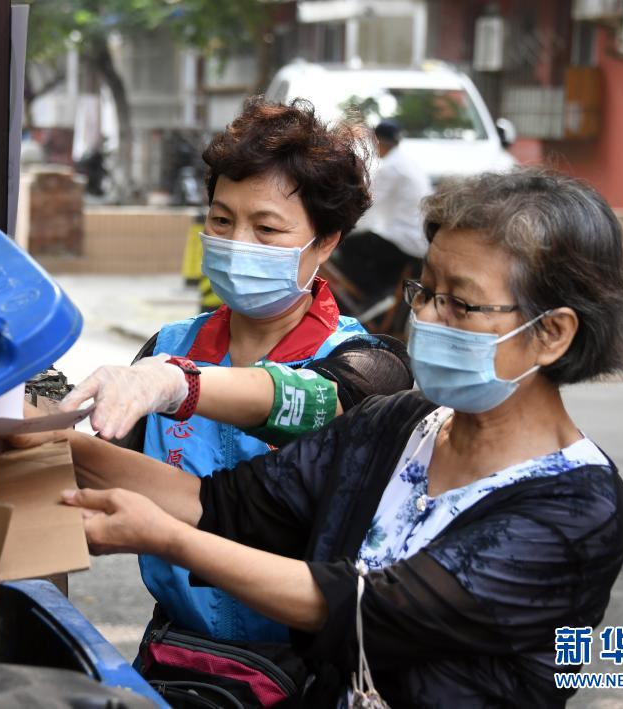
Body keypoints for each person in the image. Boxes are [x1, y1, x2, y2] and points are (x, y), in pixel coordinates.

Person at [61, 168, 623, 706]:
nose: (427, 319)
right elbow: (225, 504)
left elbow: (366, 605)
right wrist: (55, 445)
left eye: (460, 304)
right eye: (425, 292)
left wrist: (168, 537)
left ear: (552, 332)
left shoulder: (577, 508)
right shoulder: (398, 425)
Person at [52, 98, 414, 650]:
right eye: (221, 220)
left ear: (326, 242)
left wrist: (179, 384)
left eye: (266, 228)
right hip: (177, 655)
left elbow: (318, 398)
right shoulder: (168, 347)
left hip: (306, 669)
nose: (237, 243)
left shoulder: (368, 365)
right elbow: (102, 473)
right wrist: (36, 433)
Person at [332, 119, 433, 307]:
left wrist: (341, 228)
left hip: (405, 240)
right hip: (416, 239)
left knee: (349, 245)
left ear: (377, 141)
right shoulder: (405, 162)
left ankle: (371, 298)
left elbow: (367, 205)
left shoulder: (391, 168)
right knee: (365, 243)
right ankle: (379, 295)